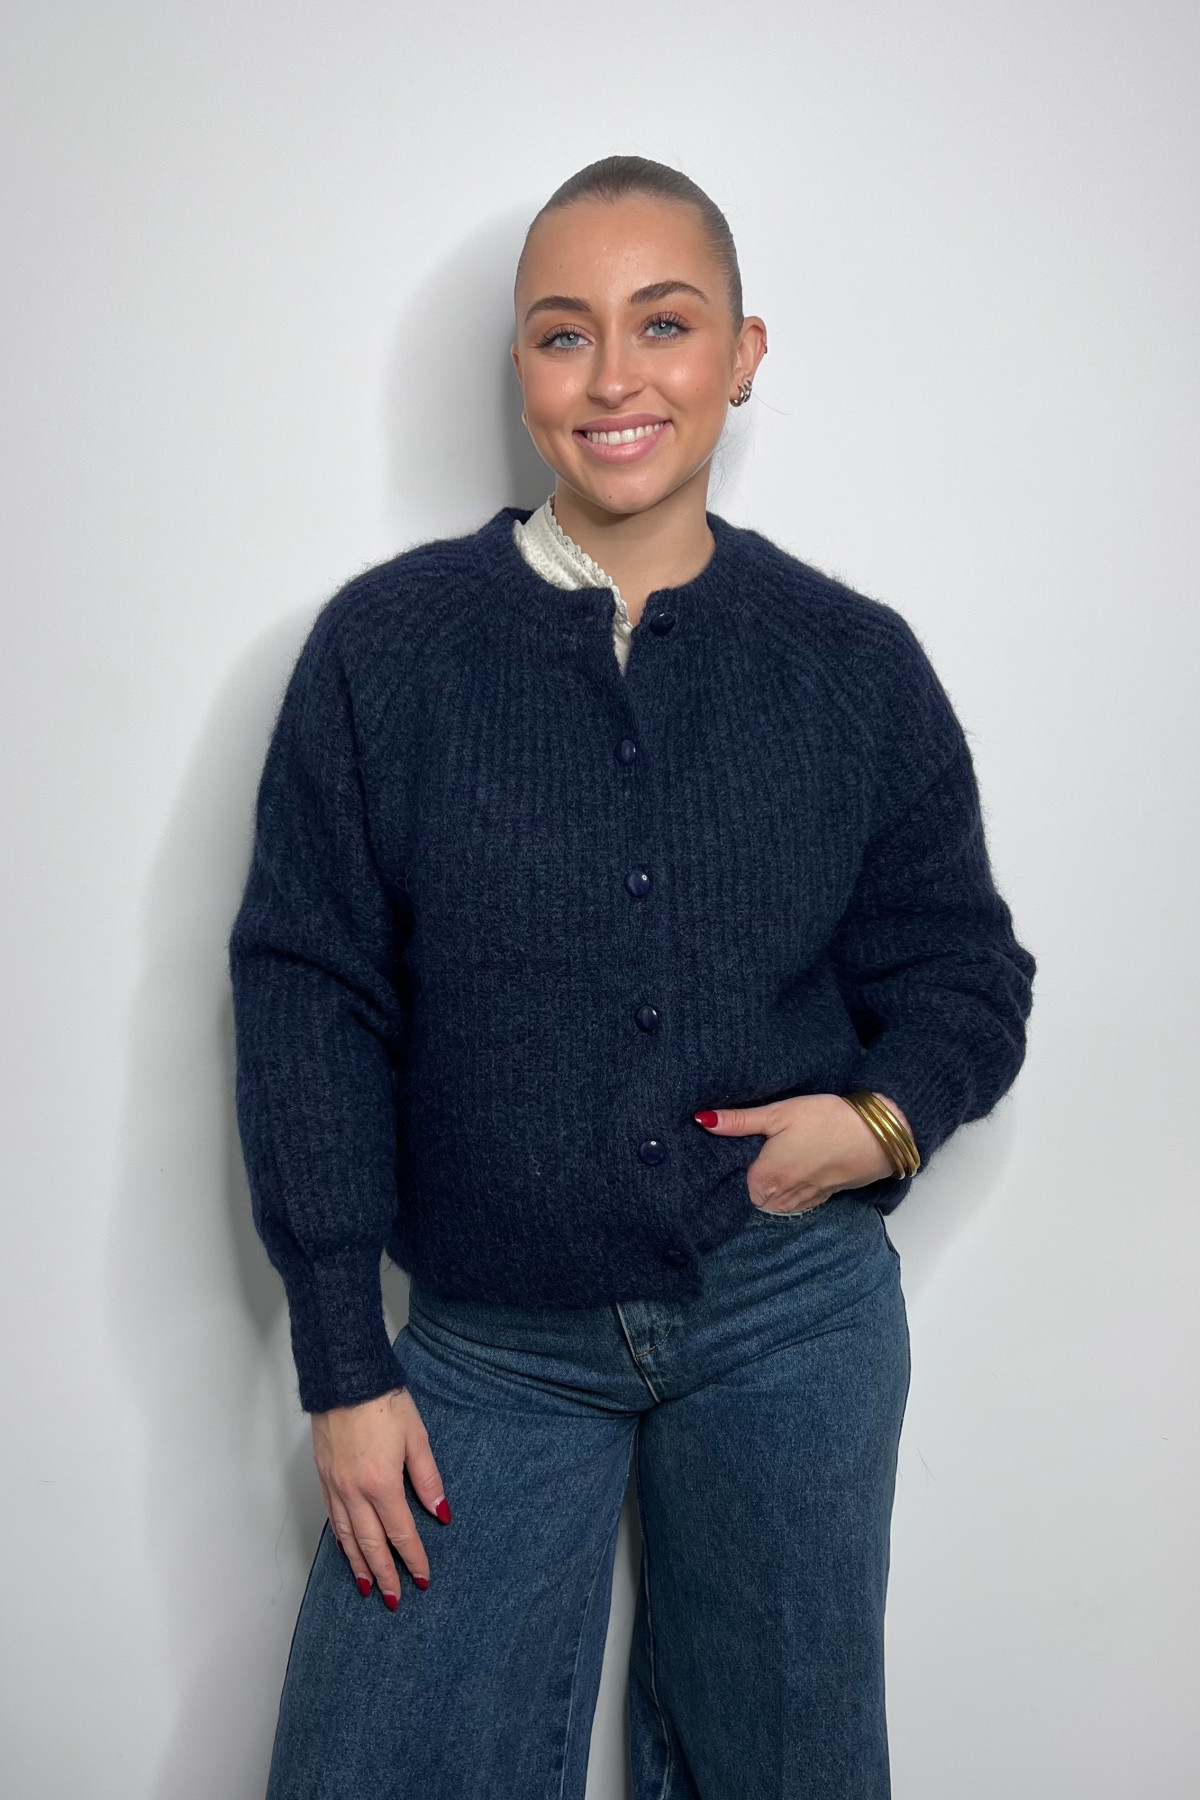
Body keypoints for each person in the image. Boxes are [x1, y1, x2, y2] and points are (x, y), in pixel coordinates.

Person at [229, 154, 1036, 1800]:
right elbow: (311, 998)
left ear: (743, 353)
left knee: (785, 1771)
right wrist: (342, 1357)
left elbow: (966, 967)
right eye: (563, 333)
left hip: (787, 1317)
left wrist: (881, 1122)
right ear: (521, 369)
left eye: (663, 325)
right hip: (485, 1342)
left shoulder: (852, 665)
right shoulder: (387, 652)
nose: (614, 378)